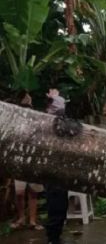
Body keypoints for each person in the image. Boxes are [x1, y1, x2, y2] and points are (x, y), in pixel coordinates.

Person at [10, 92, 44, 231]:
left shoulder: (37, 123)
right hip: (19, 161)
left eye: (28, 106)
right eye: (24, 106)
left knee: (33, 192)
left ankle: (32, 220)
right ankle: (21, 218)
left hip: (33, 161)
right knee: (19, 192)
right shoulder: (14, 123)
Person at [44, 89, 69, 244]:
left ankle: (55, 238)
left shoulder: (54, 122)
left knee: (59, 207)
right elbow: (59, 108)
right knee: (57, 207)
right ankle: (53, 240)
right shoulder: (51, 122)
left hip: (57, 171)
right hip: (53, 172)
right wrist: (56, 98)